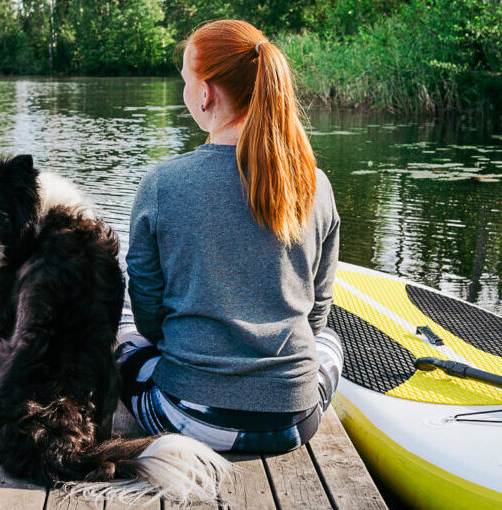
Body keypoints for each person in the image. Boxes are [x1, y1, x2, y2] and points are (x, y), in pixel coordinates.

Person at [118, 19, 342, 454]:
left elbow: (147, 316)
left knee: (124, 330)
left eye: (185, 81)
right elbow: (316, 318)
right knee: (332, 342)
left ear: (204, 94)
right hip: (294, 423)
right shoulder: (316, 184)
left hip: (187, 417)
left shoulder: (163, 184)